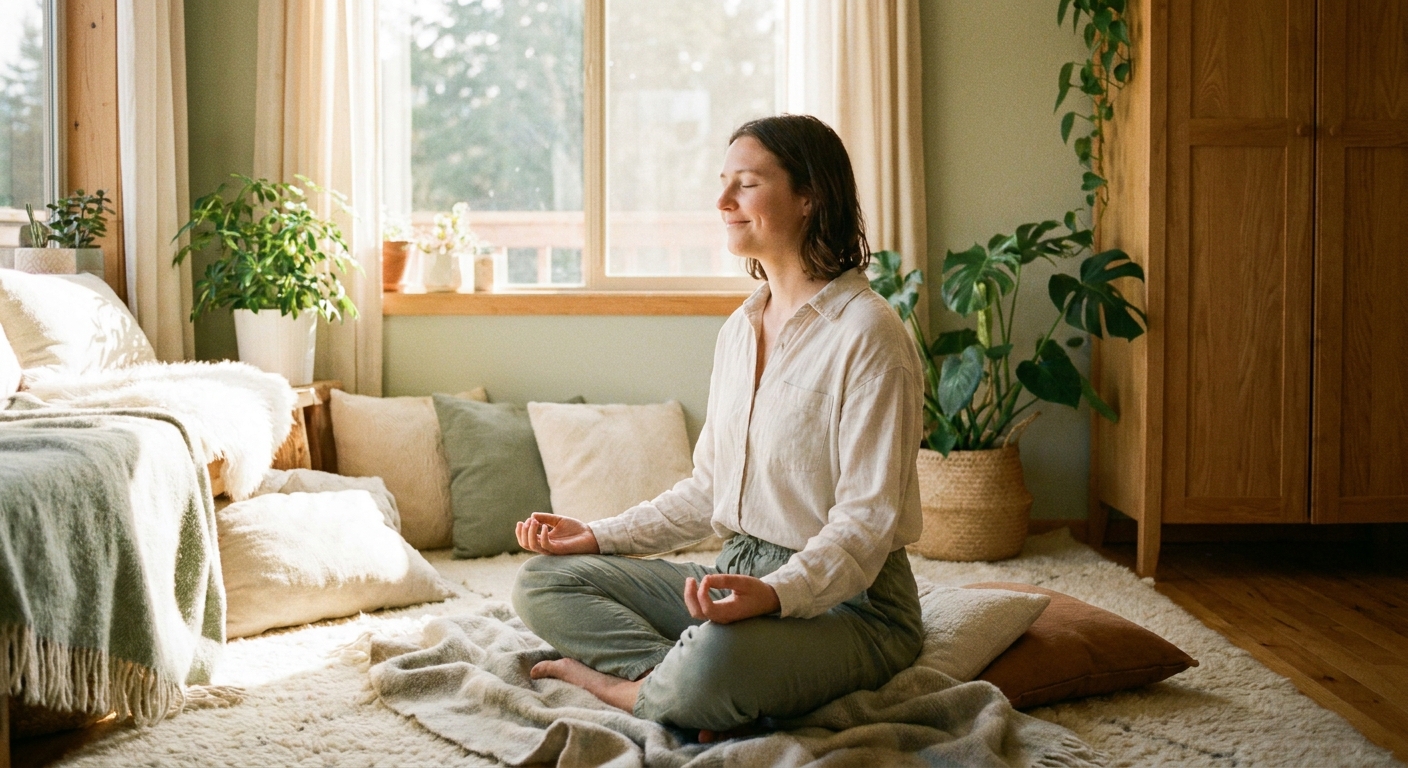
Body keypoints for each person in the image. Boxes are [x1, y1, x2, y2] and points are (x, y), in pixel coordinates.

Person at [511, 113, 925, 740]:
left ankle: (630, 687)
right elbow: (708, 491)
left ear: (811, 196)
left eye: (747, 184)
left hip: (856, 605)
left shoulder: (870, 336)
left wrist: (777, 595)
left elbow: (866, 528)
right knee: (543, 581)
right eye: (722, 182)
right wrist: (594, 536)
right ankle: (677, 686)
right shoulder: (740, 330)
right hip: (739, 572)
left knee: (719, 659)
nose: (722, 201)